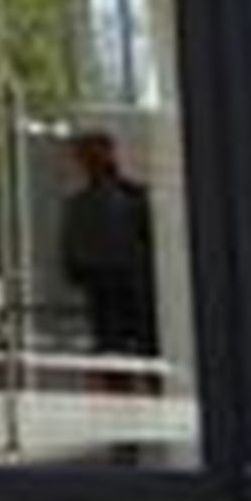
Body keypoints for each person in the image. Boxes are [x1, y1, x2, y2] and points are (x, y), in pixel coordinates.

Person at [58, 130, 159, 362]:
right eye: (85, 156)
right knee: (111, 347)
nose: (88, 162)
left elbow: (148, 240)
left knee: (137, 347)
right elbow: (72, 248)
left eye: (93, 155)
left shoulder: (134, 197)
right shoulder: (79, 204)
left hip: (132, 287)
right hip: (103, 286)